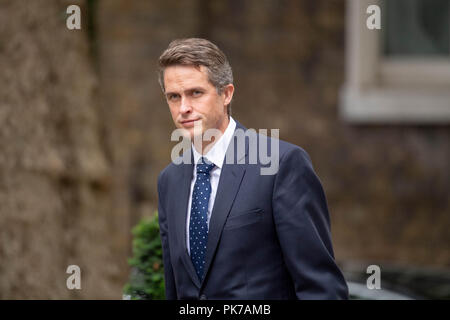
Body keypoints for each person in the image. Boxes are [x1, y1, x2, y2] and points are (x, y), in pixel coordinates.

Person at [156, 38, 349, 300]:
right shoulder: (169, 180)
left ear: (226, 94)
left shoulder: (281, 165)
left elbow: (321, 289)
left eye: (195, 93)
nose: (184, 108)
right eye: (174, 97)